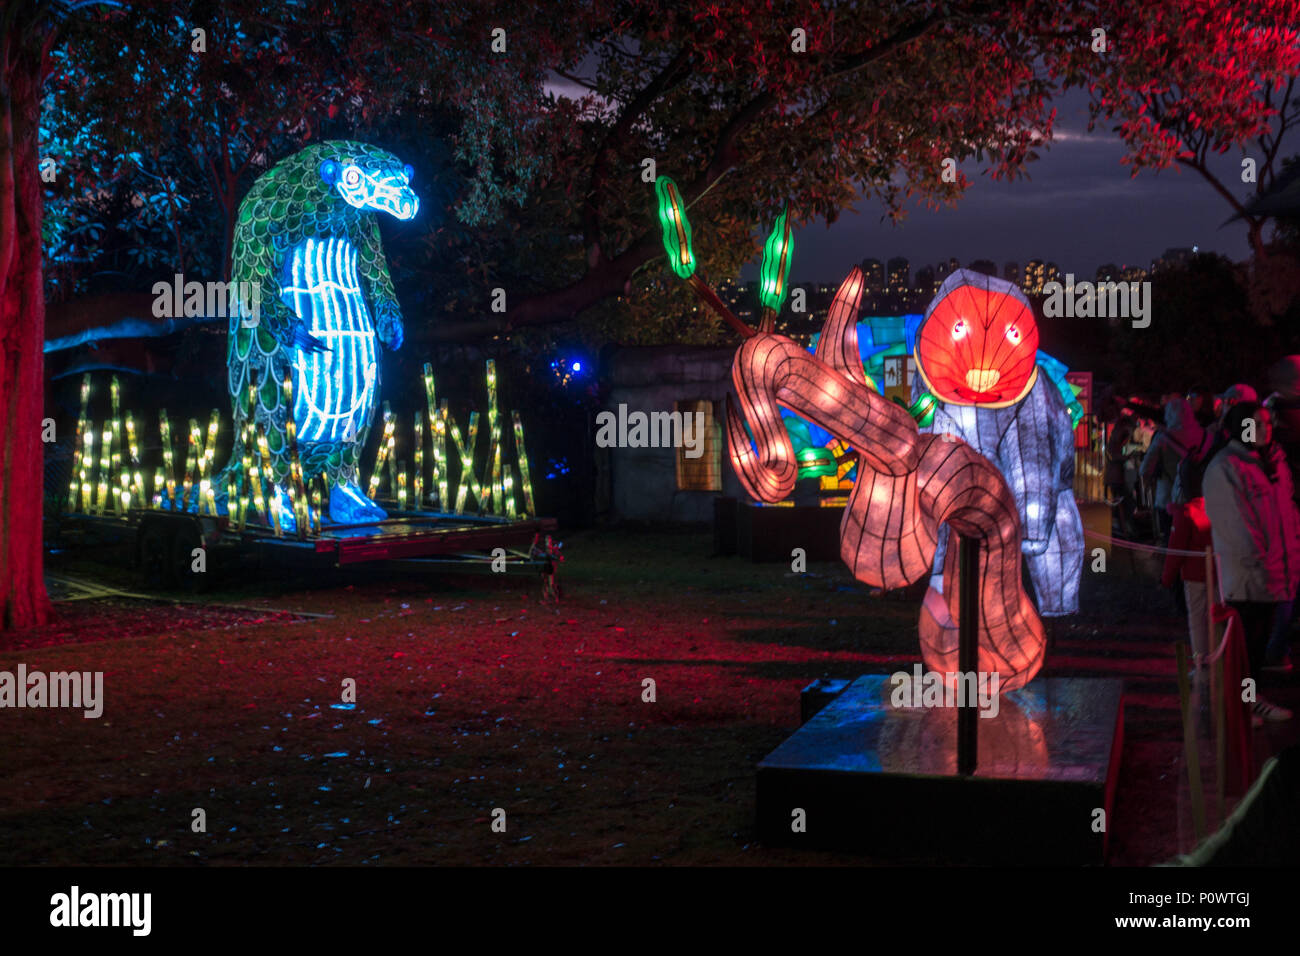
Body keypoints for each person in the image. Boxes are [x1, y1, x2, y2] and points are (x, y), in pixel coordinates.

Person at [1202, 401, 1298, 722]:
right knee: (1245, 651)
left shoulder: (1268, 464)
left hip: (1272, 576)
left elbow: (1287, 517)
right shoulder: (1226, 467)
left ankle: (1247, 700)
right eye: (1256, 423)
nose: (1264, 430)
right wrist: (1263, 563)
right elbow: (1237, 527)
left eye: (1268, 423)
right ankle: (1241, 705)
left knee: (1255, 652)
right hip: (1248, 578)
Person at [1163, 493, 1213, 669]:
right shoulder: (1223, 505)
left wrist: (1166, 578)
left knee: (1197, 621)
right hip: (1220, 574)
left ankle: (1201, 666)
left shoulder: (1187, 512)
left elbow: (1176, 548)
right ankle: (1219, 664)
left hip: (1194, 576)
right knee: (1216, 620)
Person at [1141, 397, 1203, 541]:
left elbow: (1145, 469)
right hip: (1198, 499)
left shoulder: (1163, 439)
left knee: (1172, 541)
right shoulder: (1203, 435)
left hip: (1168, 498)